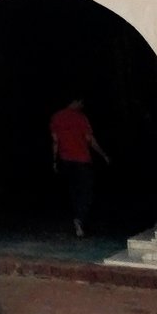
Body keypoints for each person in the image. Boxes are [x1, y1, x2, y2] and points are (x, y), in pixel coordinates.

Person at [50, 97, 110, 237]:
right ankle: (80, 219)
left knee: (74, 191)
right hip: (82, 160)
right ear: (76, 101)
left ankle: (78, 218)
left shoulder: (56, 117)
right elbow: (90, 140)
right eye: (82, 102)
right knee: (86, 191)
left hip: (66, 160)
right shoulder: (81, 118)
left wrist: (54, 161)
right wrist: (103, 154)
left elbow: (55, 141)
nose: (83, 105)